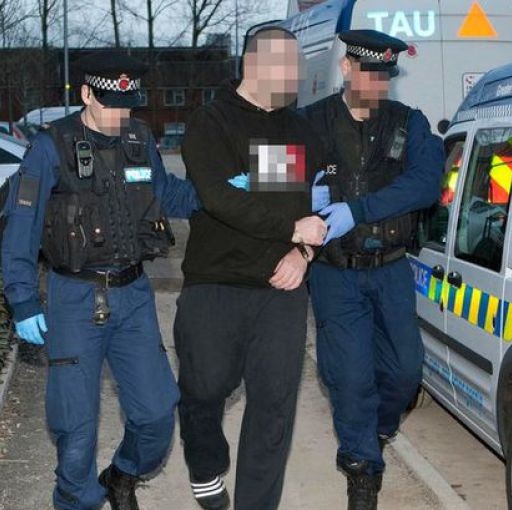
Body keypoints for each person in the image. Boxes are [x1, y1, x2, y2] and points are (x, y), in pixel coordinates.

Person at [1, 52, 201, 510]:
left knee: (156, 414)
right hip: (74, 298)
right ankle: (76, 500)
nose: (119, 117)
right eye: (111, 106)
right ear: (87, 94)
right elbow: (20, 227)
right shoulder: (50, 146)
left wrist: (226, 191)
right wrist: (23, 300)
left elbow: (168, 194)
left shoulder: (138, 137)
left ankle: (123, 475)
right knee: (75, 429)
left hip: (133, 296)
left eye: (127, 106)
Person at [175, 26, 326, 510]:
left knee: (274, 403)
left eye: (298, 65)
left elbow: (315, 205)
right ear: (253, 64)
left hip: (280, 288)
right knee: (205, 387)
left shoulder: (300, 130)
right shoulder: (210, 123)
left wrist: (303, 254)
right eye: (288, 65)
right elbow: (221, 199)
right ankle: (205, 463)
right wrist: (291, 230)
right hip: (215, 281)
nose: (297, 75)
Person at [303, 29, 444, 510]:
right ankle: (361, 467)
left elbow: (425, 184)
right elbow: (270, 178)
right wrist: (294, 194)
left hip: (390, 267)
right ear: (347, 68)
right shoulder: (309, 122)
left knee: (405, 370)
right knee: (350, 376)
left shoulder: (409, 123)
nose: (377, 85)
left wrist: (358, 210)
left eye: (384, 76)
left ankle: (377, 431)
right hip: (335, 271)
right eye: (368, 74)